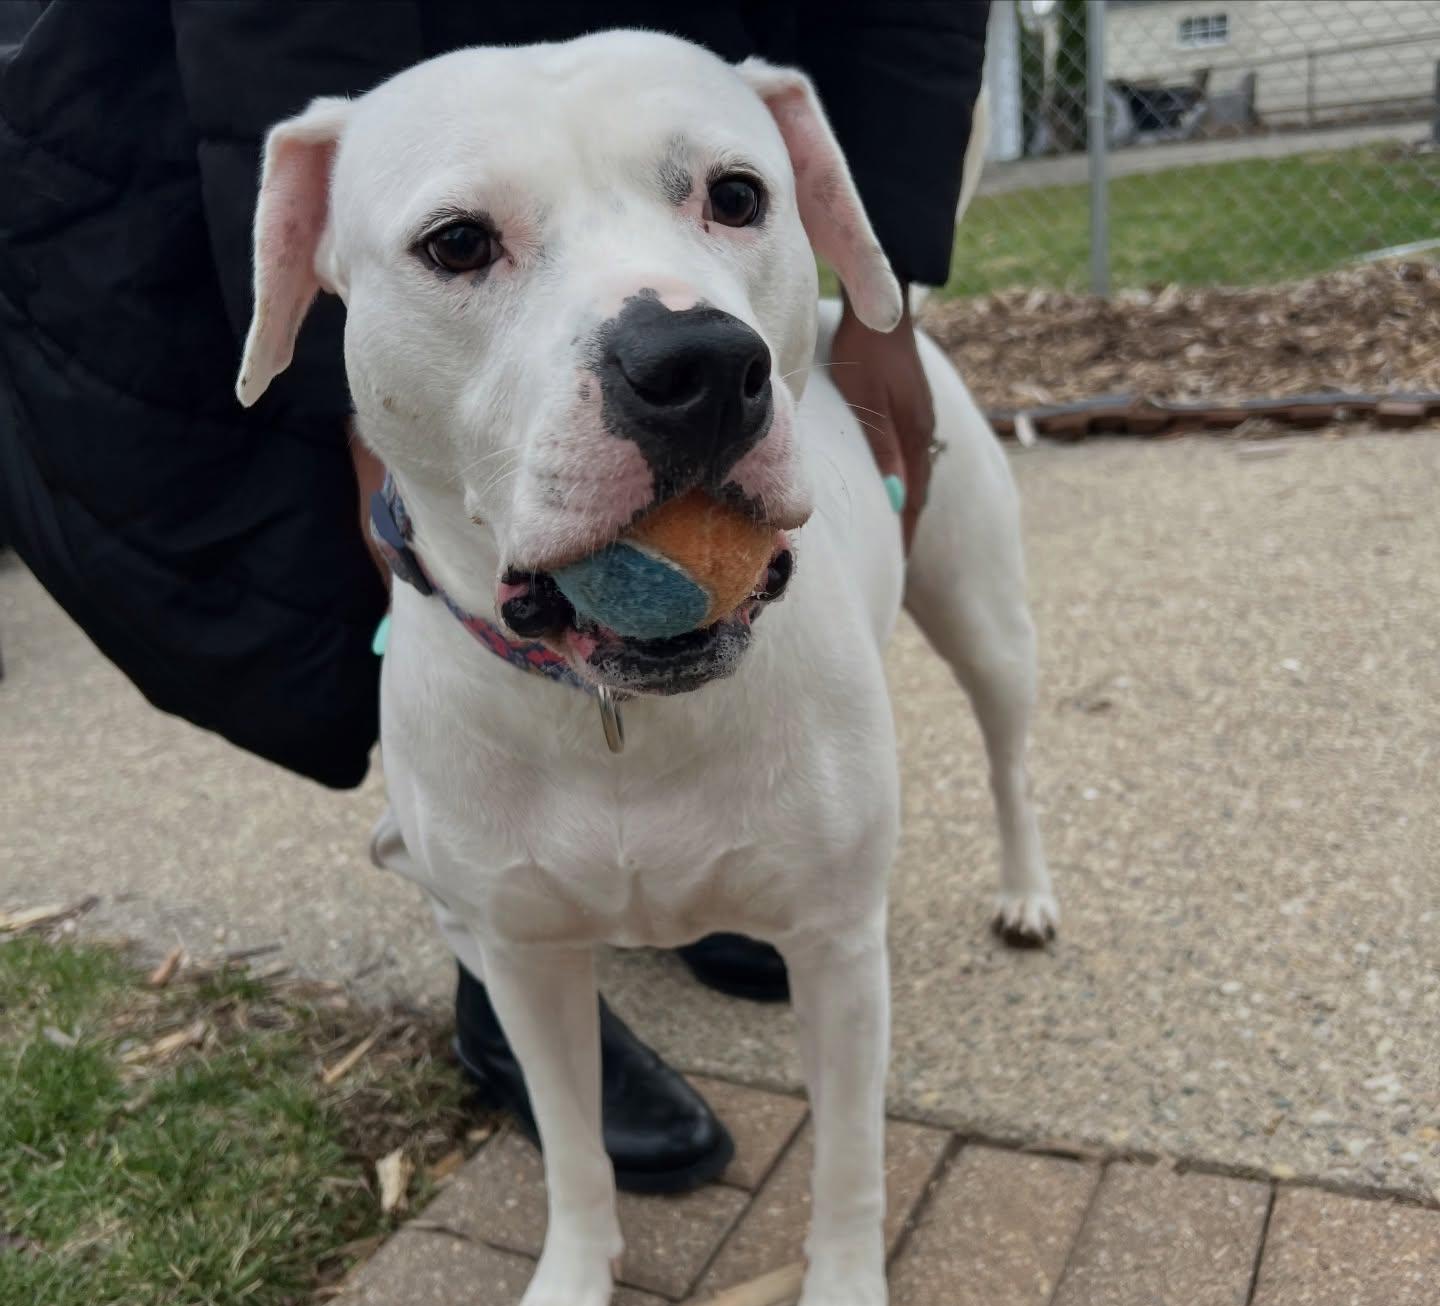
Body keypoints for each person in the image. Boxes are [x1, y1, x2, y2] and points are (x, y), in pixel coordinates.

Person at [0, 2, 989, 1191]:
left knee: (971, 703)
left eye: (730, 203)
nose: (686, 342)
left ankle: (823, 898)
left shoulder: (753, 103)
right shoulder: (353, 149)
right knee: (517, 920)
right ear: (313, 250)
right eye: (463, 245)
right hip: (406, 57)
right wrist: (340, 413)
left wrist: (894, 314)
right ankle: (566, 1172)